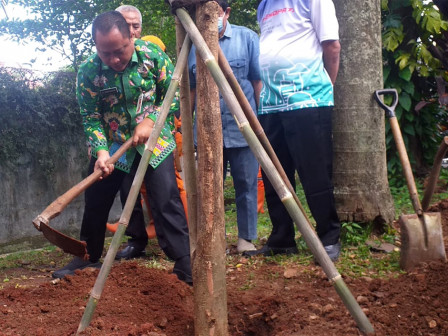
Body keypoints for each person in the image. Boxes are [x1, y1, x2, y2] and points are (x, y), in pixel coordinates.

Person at [52, 11, 192, 284]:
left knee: (165, 198)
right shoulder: (89, 71)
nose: (114, 59)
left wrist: (151, 120)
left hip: (154, 139)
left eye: (120, 51)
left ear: (131, 36)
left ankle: (184, 261)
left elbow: (174, 94)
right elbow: (90, 117)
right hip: (112, 143)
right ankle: (87, 256)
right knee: (96, 199)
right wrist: (101, 152)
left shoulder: (152, 56)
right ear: (96, 47)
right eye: (106, 53)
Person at [244, 0, 342, 261]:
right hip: (271, 103)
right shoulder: (264, 5)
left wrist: (325, 87)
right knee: (275, 171)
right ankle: (282, 238)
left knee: (315, 171)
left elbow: (331, 46)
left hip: (308, 98)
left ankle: (329, 237)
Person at [188, 0, 262, 253]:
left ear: (226, 12)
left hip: (241, 128)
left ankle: (246, 239)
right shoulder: (192, 44)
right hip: (207, 132)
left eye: (216, 12)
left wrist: (257, 121)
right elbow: (191, 89)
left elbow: (257, 82)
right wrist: (186, 126)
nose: (211, 17)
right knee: (209, 188)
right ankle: (212, 239)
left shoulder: (248, 38)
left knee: (246, 185)